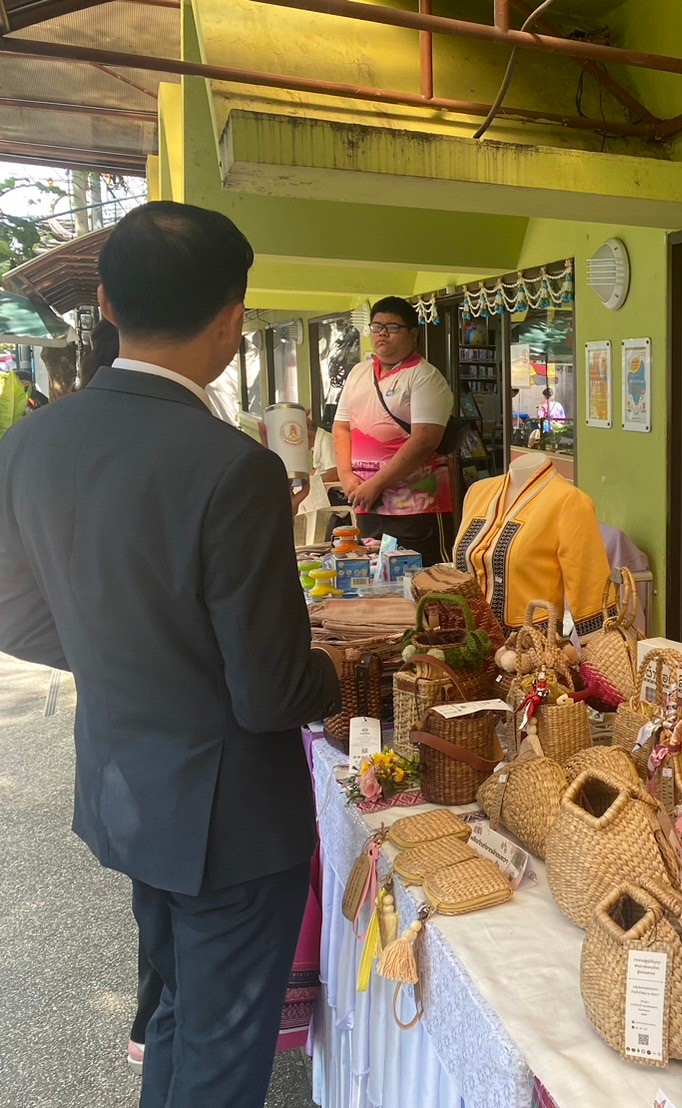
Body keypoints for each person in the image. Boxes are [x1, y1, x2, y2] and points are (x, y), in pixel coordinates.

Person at [0, 200, 342, 1107]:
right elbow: (272, 690)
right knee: (219, 1056)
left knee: (177, 1018)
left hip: (128, 790)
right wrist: (337, 672)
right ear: (232, 320)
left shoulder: (30, 442)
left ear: (107, 303)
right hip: (232, 819)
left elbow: (14, 618)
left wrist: (129, 653)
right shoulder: (232, 465)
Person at [333, 296, 455, 562]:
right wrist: (346, 476)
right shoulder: (358, 373)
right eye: (377, 327)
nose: (382, 334)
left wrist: (376, 484)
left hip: (415, 506)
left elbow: (425, 441)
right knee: (372, 573)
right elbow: (341, 427)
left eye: (393, 327)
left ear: (413, 334)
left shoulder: (425, 376)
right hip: (367, 503)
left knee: (421, 575)